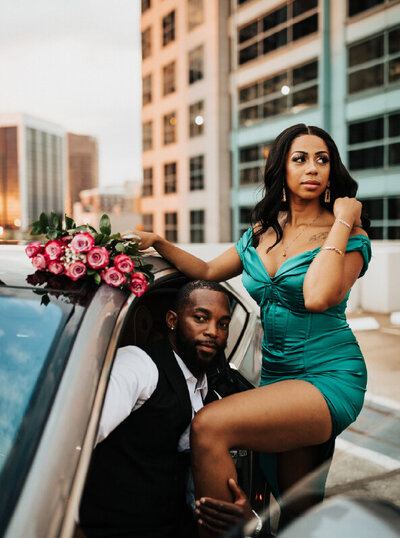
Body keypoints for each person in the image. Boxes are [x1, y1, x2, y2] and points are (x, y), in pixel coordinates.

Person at [132, 123, 371, 536]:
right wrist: (158, 242)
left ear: (332, 171)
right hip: (277, 377)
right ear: (283, 168)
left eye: (322, 159)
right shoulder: (262, 233)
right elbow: (207, 271)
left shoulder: (349, 235)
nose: (313, 168)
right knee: (296, 506)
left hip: (329, 374)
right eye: (300, 159)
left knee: (209, 426)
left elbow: (316, 296)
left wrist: (344, 220)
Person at [80, 280, 252, 538]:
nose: (213, 331)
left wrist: (247, 518)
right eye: (200, 318)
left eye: (223, 324)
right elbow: (77, 438)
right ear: (172, 320)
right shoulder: (138, 365)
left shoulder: (215, 389)